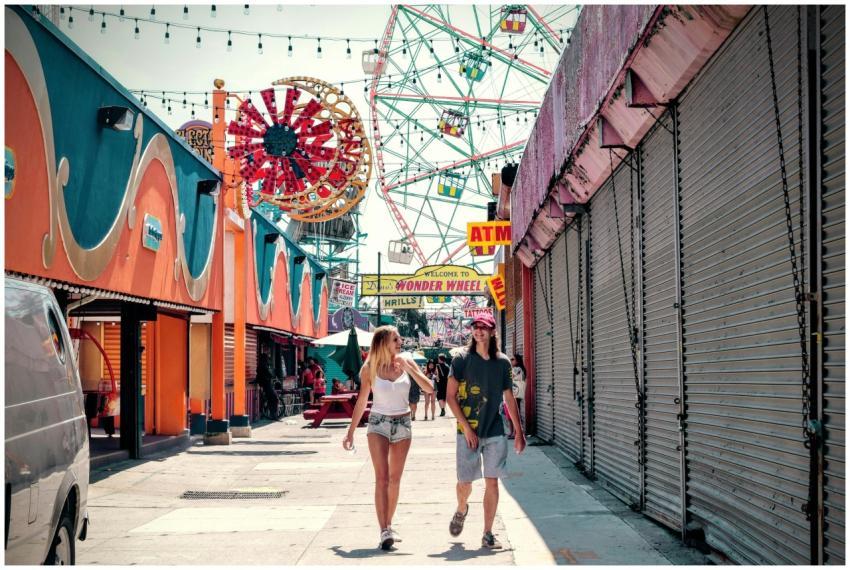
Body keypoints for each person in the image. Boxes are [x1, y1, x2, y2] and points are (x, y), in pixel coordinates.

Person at [342, 326, 434, 550]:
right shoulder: (369, 368)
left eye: (399, 339)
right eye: (395, 339)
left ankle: (389, 524)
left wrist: (410, 370)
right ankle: (384, 530)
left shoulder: (406, 361)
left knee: (395, 480)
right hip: (378, 424)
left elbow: (429, 388)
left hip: (403, 423)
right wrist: (351, 431)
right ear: (383, 342)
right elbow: (362, 401)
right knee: (382, 478)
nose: (400, 342)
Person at [446, 313, 525, 550]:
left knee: (492, 482)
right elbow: (450, 397)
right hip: (467, 431)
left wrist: (518, 432)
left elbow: (509, 397)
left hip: (495, 431)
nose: (479, 331)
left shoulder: (502, 363)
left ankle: (487, 533)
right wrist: (467, 429)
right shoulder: (461, 359)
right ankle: (461, 508)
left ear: (492, 331)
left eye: (484, 327)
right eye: (475, 327)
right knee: (465, 482)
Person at [257, 346, 280, 416]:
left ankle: (272, 413)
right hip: (267, 384)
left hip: (264, 384)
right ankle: (273, 413)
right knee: (274, 398)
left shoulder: (260, 366)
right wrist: (272, 376)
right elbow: (269, 374)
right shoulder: (264, 366)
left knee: (271, 399)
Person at [511, 354, 527, 432]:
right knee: (516, 410)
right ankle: (516, 431)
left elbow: (508, 377)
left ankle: (517, 432)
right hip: (518, 392)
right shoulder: (521, 368)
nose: (511, 361)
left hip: (515, 392)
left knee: (515, 412)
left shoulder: (517, 369)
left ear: (517, 360)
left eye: (512, 359)